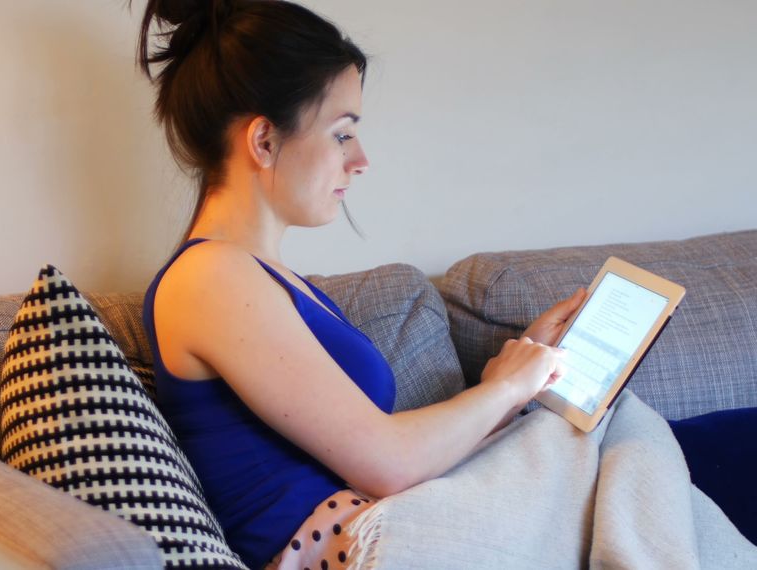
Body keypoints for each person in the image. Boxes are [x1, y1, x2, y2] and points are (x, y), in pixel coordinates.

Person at [136, 1, 588, 568]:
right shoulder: (210, 277)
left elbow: (378, 448)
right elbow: (388, 463)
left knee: (604, 436)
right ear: (265, 142)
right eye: (343, 134)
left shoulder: (269, 280)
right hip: (346, 547)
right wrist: (506, 391)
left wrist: (510, 374)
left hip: (374, 523)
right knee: (606, 448)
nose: (362, 160)